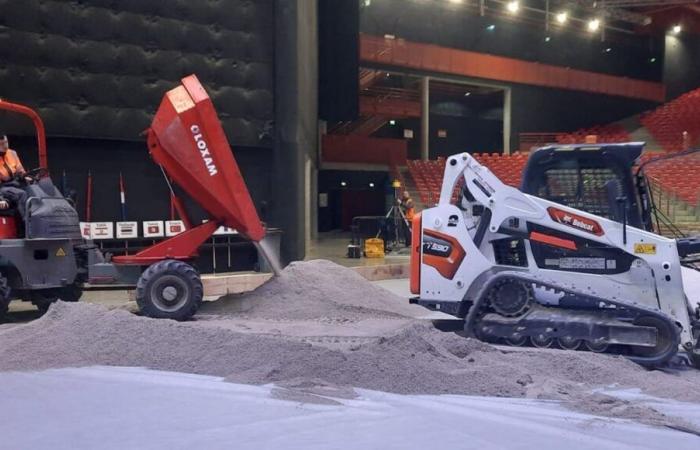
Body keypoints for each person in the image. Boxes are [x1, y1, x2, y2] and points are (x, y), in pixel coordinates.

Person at [0, 134, 30, 217]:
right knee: (21, 194)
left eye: (6, 142)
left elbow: (20, 170)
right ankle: (28, 225)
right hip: (3, 187)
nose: (5, 146)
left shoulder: (12, 153)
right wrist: (1, 199)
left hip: (15, 184)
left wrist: (25, 176)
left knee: (33, 190)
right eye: (1, 144)